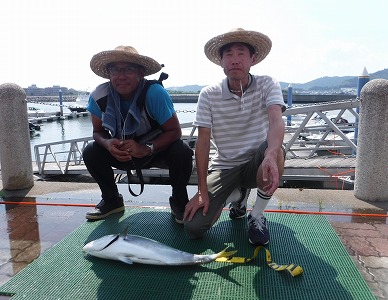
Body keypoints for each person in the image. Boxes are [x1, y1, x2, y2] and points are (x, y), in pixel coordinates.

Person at [183, 28, 286, 245]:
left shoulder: (267, 83)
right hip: (225, 166)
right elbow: (202, 143)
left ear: (253, 59)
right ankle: (238, 198)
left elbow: (277, 120)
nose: (235, 60)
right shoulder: (208, 94)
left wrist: (271, 155)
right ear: (221, 61)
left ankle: (256, 215)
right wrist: (201, 191)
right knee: (193, 227)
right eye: (228, 54)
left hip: (256, 162)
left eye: (241, 53)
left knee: (274, 150)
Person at [83, 45, 193, 221]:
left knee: (183, 150)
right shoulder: (99, 95)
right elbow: (98, 132)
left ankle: (179, 201)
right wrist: (108, 144)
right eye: (115, 69)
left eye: (128, 69)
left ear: (141, 72)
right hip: (120, 151)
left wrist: (146, 148)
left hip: (154, 150)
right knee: (91, 151)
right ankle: (112, 200)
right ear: (109, 73)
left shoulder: (155, 93)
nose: (121, 76)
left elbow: (174, 131)